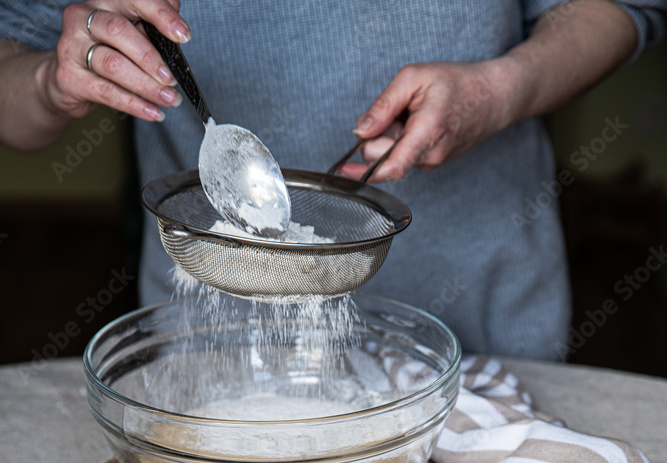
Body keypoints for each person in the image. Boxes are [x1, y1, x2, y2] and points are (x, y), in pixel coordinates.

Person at [0, 0, 664, 359]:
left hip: (482, 329)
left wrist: (506, 88)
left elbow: (624, 8)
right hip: (214, 340)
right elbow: (13, 86)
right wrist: (50, 83)